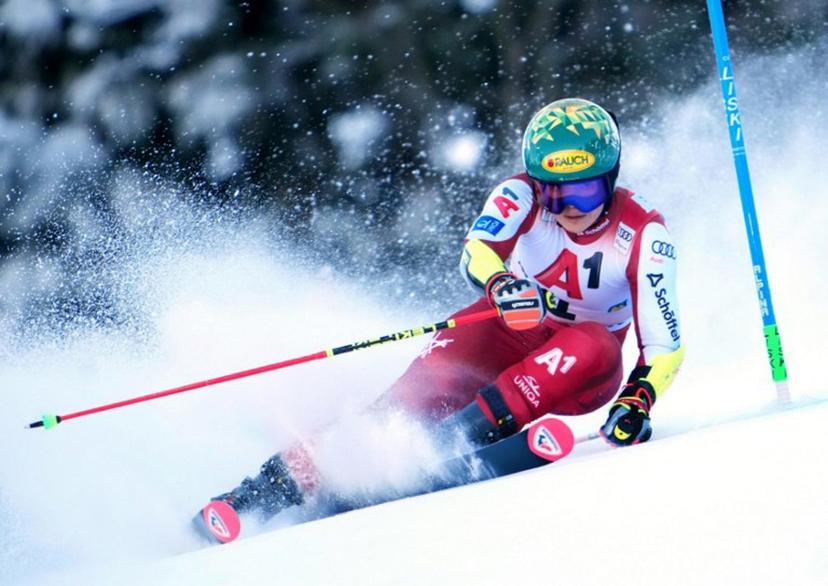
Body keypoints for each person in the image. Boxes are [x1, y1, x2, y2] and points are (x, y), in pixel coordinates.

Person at [194, 98, 685, 544]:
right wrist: (501, 286)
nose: (568, 209)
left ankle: (452, 441)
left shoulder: (644, 234)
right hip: (510, 328)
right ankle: (261, 491)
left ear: (612, 176)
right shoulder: (519, 195)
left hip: (579, 370)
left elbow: (665, 345)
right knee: (405, 401)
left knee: (595, 340)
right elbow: (477, 250)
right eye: (554, 195)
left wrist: (636, 403)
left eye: (583, 191)